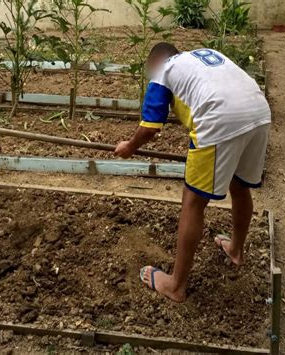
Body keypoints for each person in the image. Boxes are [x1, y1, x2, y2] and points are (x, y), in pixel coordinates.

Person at [114, 43, 271, 302]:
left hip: (220, 120)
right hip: (258, 111)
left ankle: (175, 285)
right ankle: (235, 250)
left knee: (193, 202)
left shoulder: (162, 71)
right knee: (239, 186)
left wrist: (129, 146)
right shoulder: (203, 56)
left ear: (155, 61)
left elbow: (151, 126)